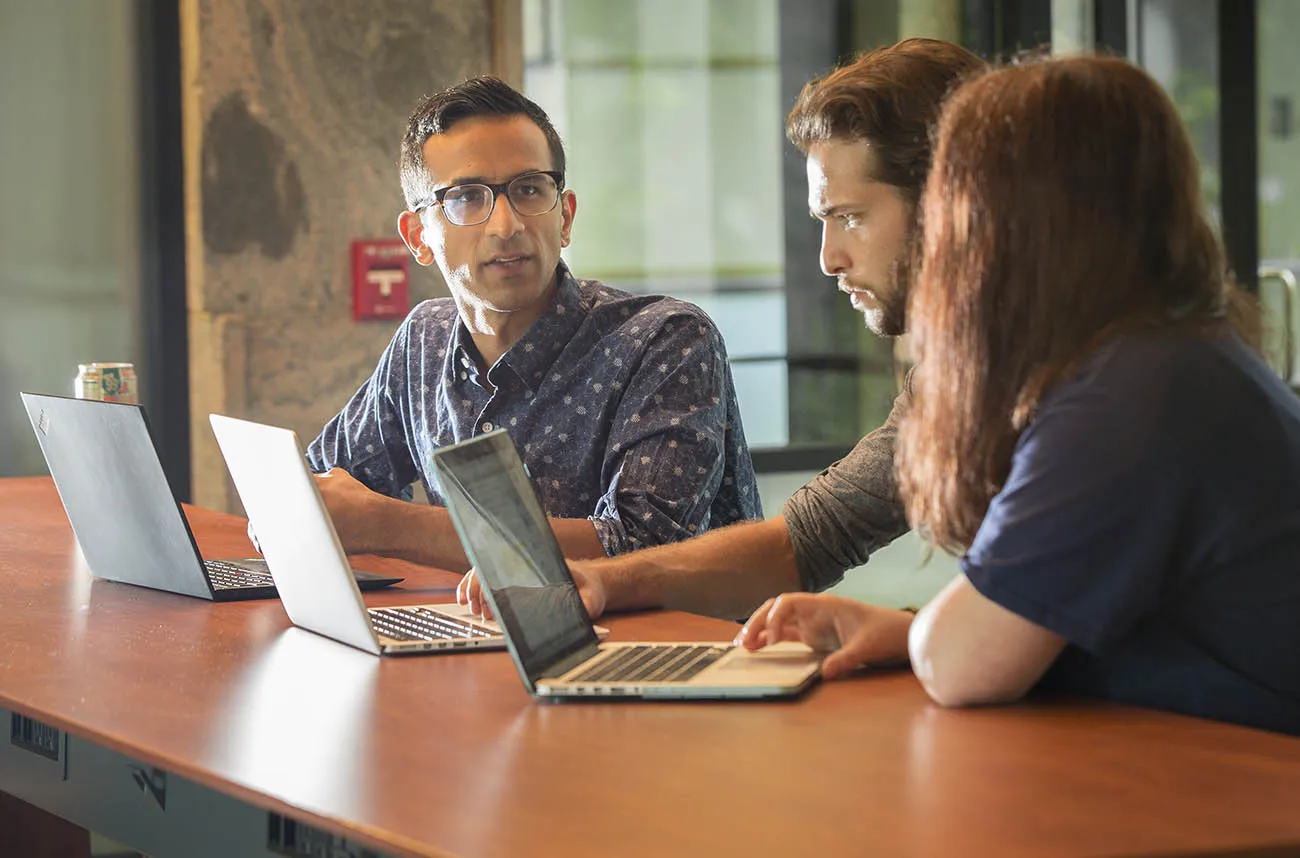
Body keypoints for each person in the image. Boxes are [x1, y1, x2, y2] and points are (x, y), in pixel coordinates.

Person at [739, 55, 1300, 736]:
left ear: (1004, 222)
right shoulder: (1170, 357)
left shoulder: (1125, 398)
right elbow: (1054, 630)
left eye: (953, 201)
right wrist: (904, 631)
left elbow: (961, 662)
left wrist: (925, 638)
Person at [456, 39, 986, 619]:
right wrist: (605, 583)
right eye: (823, 221)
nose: (829, 259)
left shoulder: (1066, 370)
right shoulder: (959, 378)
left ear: (953, 204)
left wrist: (909, 635)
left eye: (850, 217)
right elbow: (809, 537)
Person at [308, 76, 760, 572]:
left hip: (665, 647)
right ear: (418, 236)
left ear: (564, 217)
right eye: (466, 198)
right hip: (480, 639)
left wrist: (389, 526)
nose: (507, 225)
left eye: (528, 189)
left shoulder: (665, 340)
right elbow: (325, 485)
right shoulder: (424, 340)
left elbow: (642, 551)